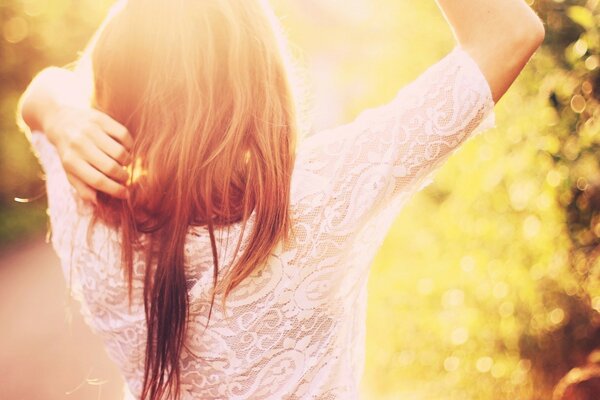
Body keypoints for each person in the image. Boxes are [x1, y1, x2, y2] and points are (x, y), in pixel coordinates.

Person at [17, 0, 545, 399]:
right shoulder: (319, 195)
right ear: (260, 79)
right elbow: (510, 31)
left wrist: (62, 115)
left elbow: (38, 97)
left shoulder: (86, 192)